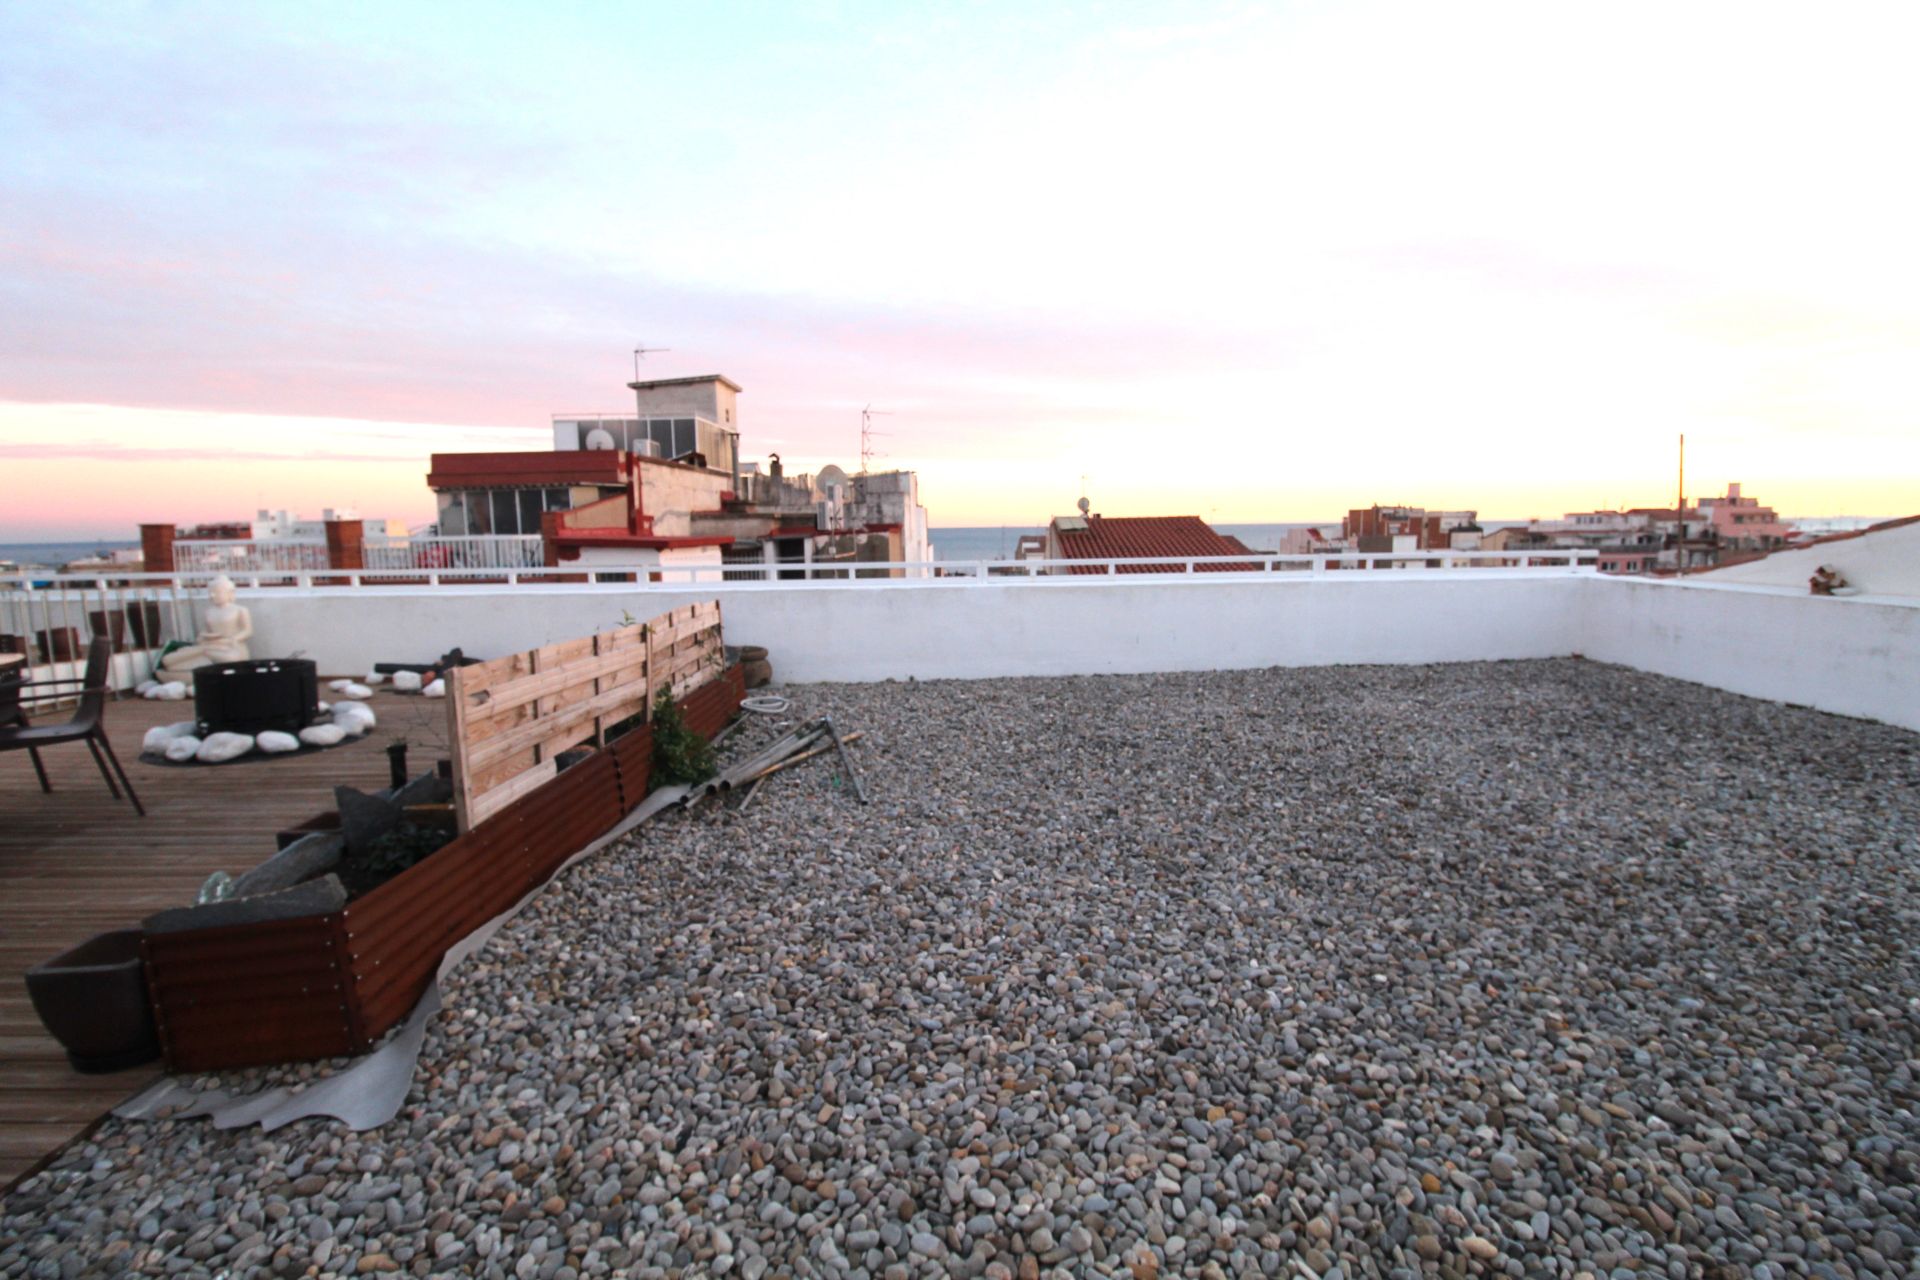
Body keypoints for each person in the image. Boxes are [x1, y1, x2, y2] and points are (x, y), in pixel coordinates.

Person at [159, 575, 253, 674]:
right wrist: (203, 638)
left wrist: (230, 639)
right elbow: (204, 632)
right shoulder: (209, 612)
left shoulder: (240, 610)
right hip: (209, 646)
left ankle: (189, 672)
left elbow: (247, 631)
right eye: (210, 593)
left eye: (216, 592)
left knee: (228, 657)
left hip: (231, 648)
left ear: (229, 593)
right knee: (167, 660)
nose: (212, 595)